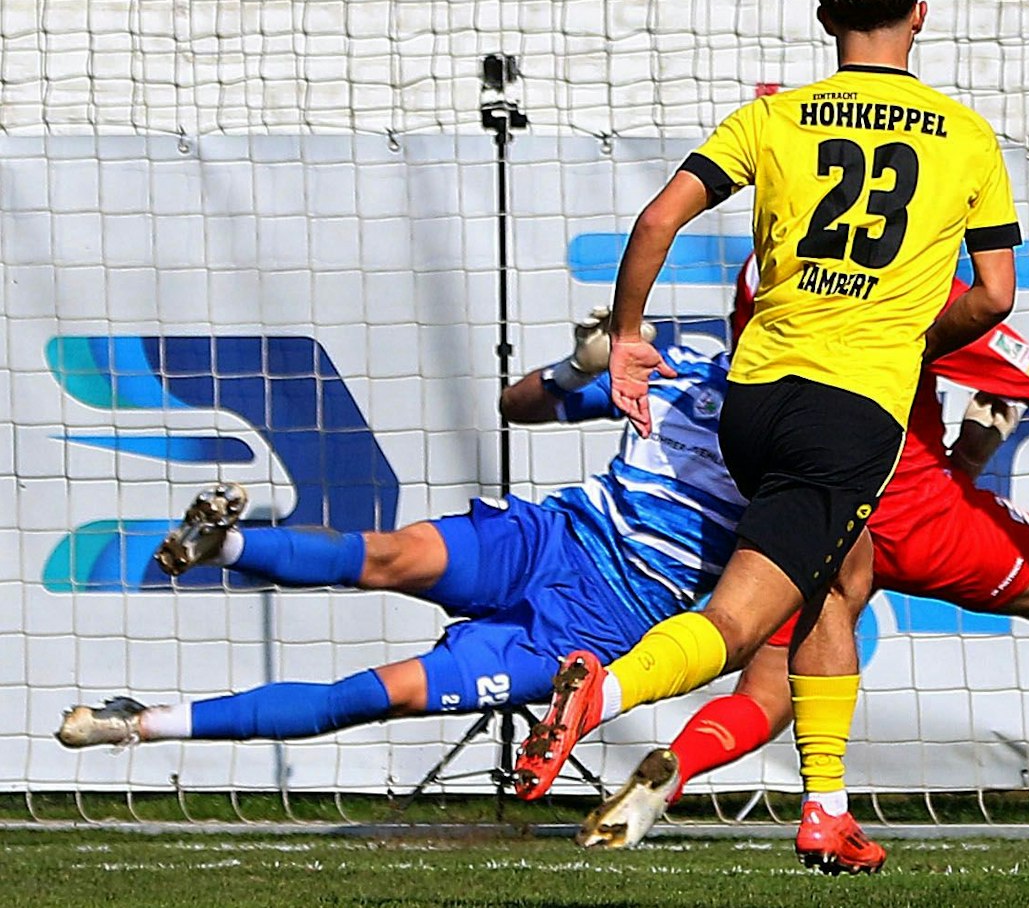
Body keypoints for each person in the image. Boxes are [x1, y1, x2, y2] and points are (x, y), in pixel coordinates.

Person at [511, 0, 1021, 877]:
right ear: (920, 13)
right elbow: (994, 295)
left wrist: (624, 338)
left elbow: (661, 213)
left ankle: (825, 806)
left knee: (835, 574)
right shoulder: (962, 133)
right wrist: (907, 332)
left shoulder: (776, 114)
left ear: (827, 13)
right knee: (748, 616)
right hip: (850, 405)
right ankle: (603, 695)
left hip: (758, 393)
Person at [572, 263, 1029, 849]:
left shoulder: (763, 269)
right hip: (914, 513)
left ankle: (677, 768)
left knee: (765, 689)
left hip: (813, 507)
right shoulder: (918, 290)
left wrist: (964, 446)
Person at [53, 314, 739, 756]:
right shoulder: (681, 377)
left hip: (605, 618)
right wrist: (578, 369)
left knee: (374, 695)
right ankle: (222, 546)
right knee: (385, 553)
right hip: (552, 536)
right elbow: (517, 406)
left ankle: (139, 722)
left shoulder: (820, 445)